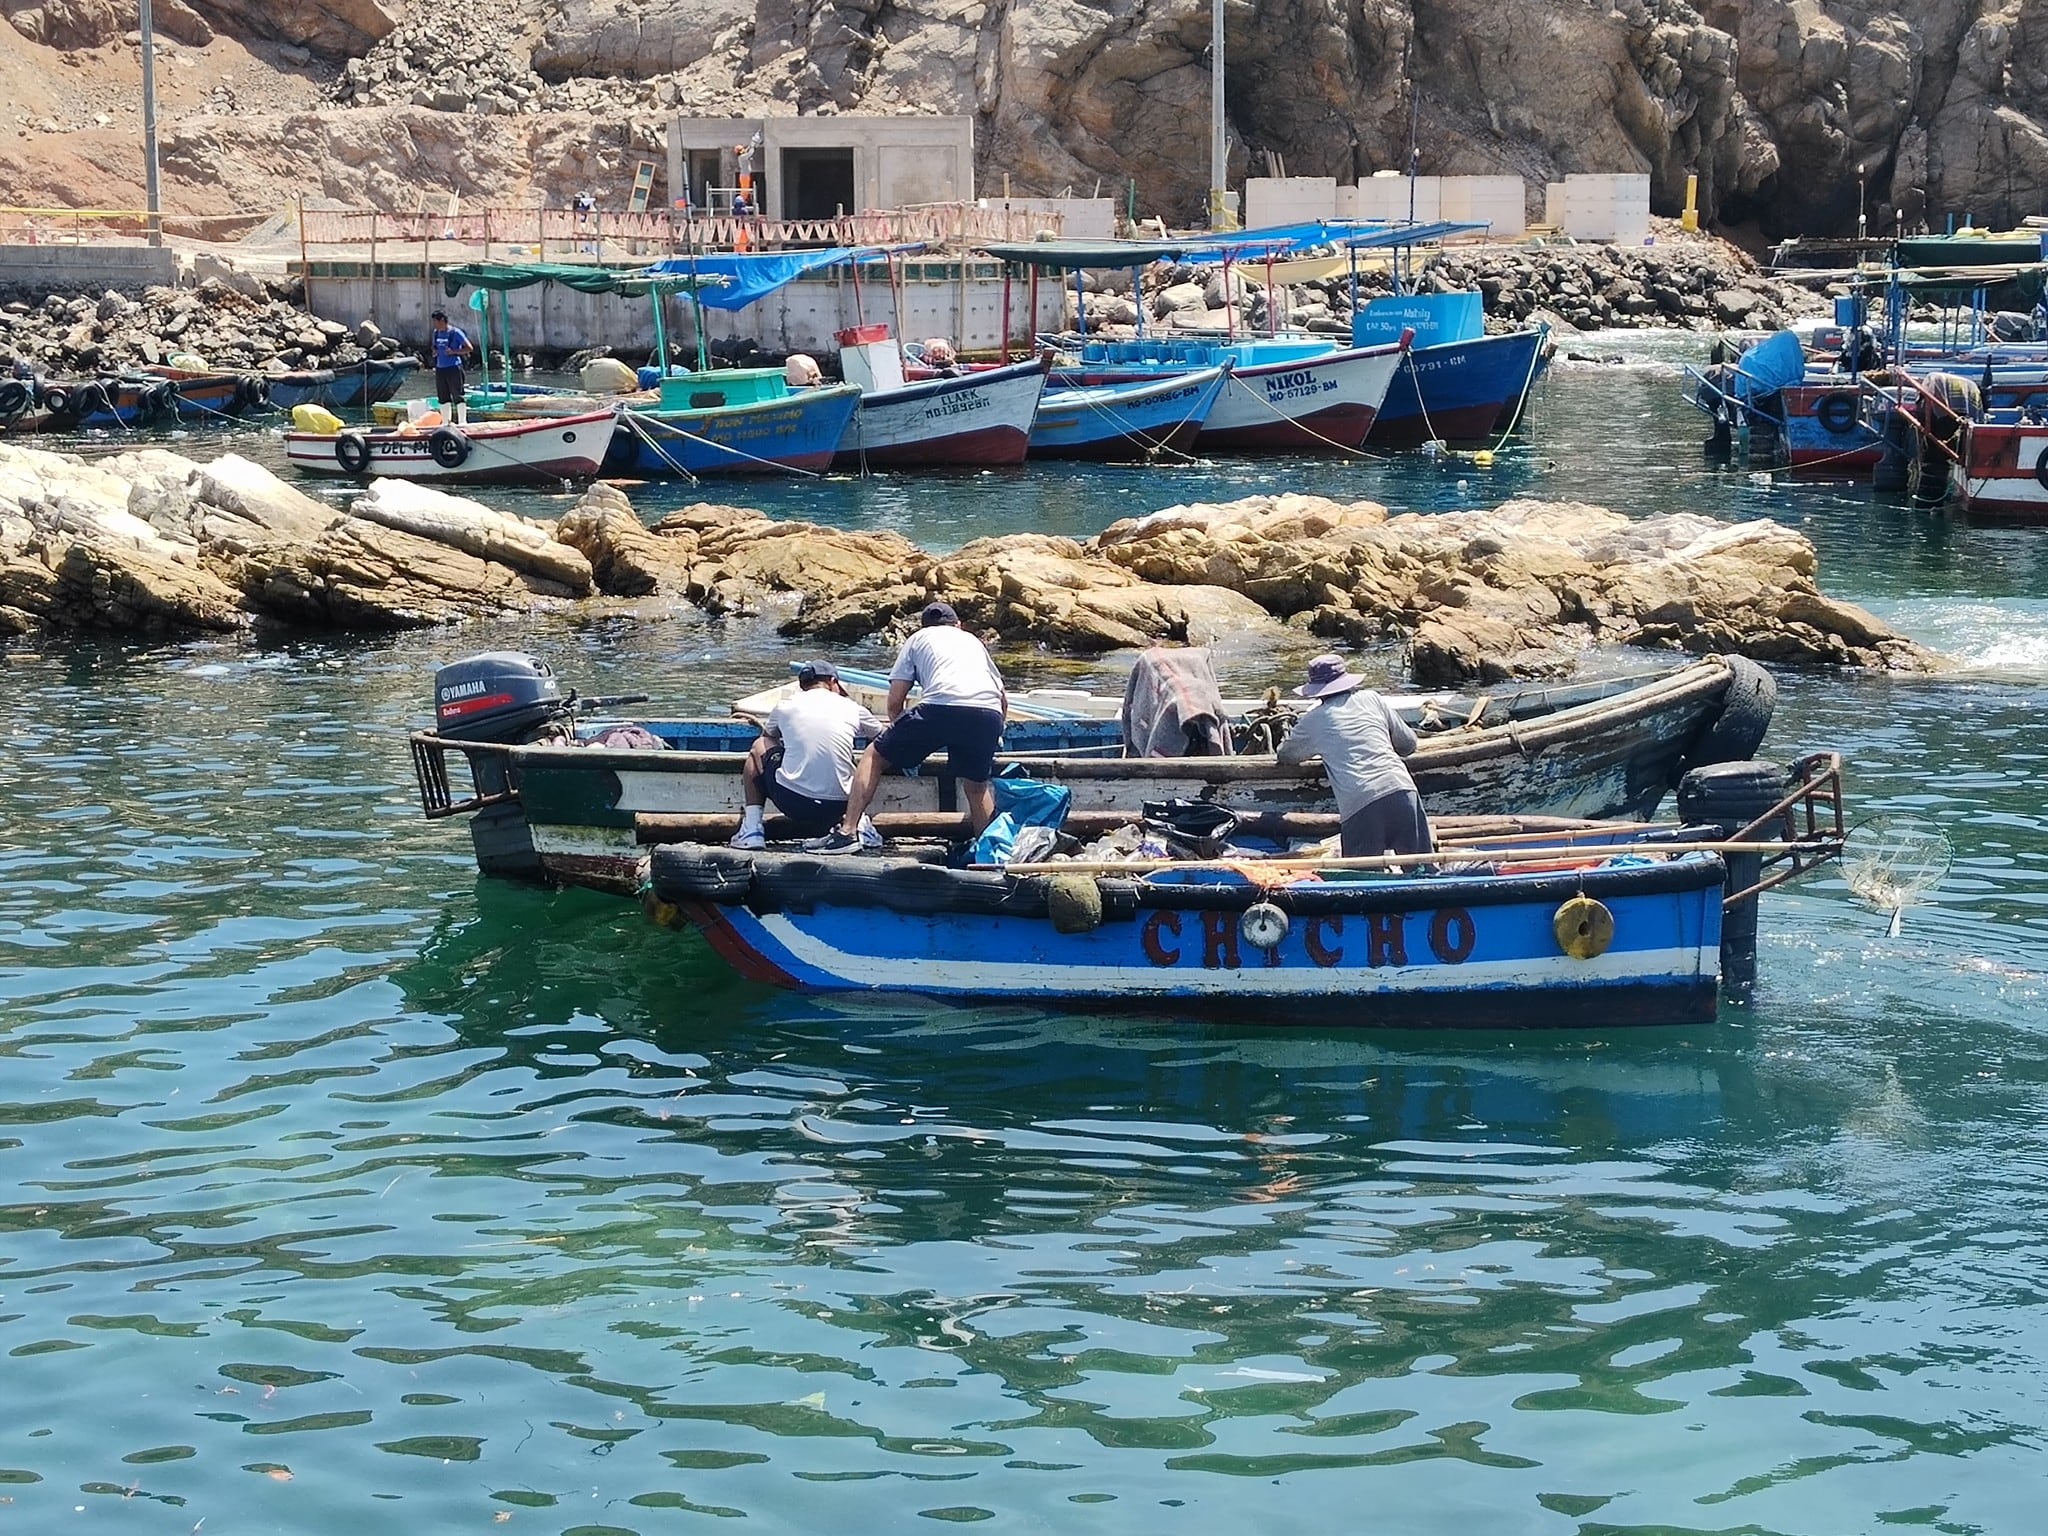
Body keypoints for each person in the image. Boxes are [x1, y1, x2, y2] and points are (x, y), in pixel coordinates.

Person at [807, 601, 1007, 854]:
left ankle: (847, 831)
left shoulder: (917, 639)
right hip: (988, 714)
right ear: (958, 625)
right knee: (977, 786)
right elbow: (1002, 698)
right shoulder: (974, 642)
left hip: (940, 708)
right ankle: (989, 852)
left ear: (925, 625)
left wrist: (901, 741)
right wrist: (997, 731)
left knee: (874, 755)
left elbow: (895, 702)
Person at [1275, 653, 1432, 859]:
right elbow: (1408, 745)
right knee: (1422, 868)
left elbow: (1286, 755)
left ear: (1316, 692)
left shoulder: (1313, 720)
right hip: (1403, 790)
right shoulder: (1372, 699)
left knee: (1363, 875)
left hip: (1362, 803)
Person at [731, 660, 885, 850]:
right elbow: (883, 737)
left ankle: (752, 830)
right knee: (867, 758)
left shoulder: (785, 705)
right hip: (842, 806)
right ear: (833, 681)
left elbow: (768, 738)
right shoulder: (853, 708)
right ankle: (861, 824)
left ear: (803, 686)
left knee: (758, 746)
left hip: (792, 802)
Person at [428, 308, 474, 425]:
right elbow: (434, 346)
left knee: (458, 395)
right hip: (440, 368)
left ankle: (462, 422)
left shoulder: (455, 332)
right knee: (443, 397)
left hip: (453, 368)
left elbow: (469, 348)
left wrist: (454, 352)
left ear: (442, 320)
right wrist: (435, 351)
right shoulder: (436, 333)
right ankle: (445, 422)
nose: (435, 324)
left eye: (436, 322)